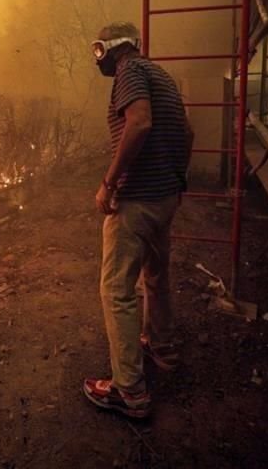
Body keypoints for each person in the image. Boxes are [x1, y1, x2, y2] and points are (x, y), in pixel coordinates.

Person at [82, 21, 193, 419]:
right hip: (164, 198)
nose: (99, 60)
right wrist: (177, 178)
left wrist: (109, 183)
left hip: (137, 202)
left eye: (98, 51)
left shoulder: (129, 71)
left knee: (117, 290)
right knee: (155, 275)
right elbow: (188, 131)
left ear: (111, 49)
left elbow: (140, 122)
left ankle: (128, 390)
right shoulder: (160, 74)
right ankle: (162, 347)